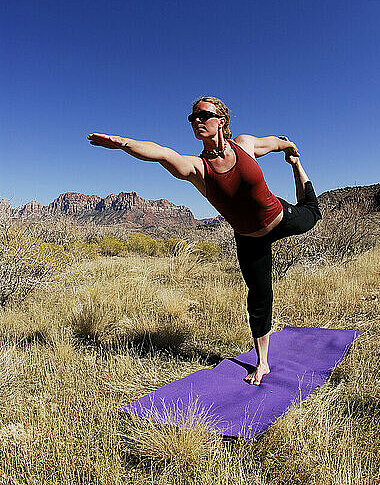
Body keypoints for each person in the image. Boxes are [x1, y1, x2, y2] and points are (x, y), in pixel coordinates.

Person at [87, 96, 322, 386]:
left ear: (221, 120)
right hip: (250, 239)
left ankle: (298, 168)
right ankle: (262, 362)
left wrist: (289, 148)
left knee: (313, 212)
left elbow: (273, 142)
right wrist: (122, 143)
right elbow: (161, 153)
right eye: (192, 118)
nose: (196, 121)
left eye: (203, 115)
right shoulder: (197, 169)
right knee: (259, 298)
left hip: (280, 218)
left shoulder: (245, 145)